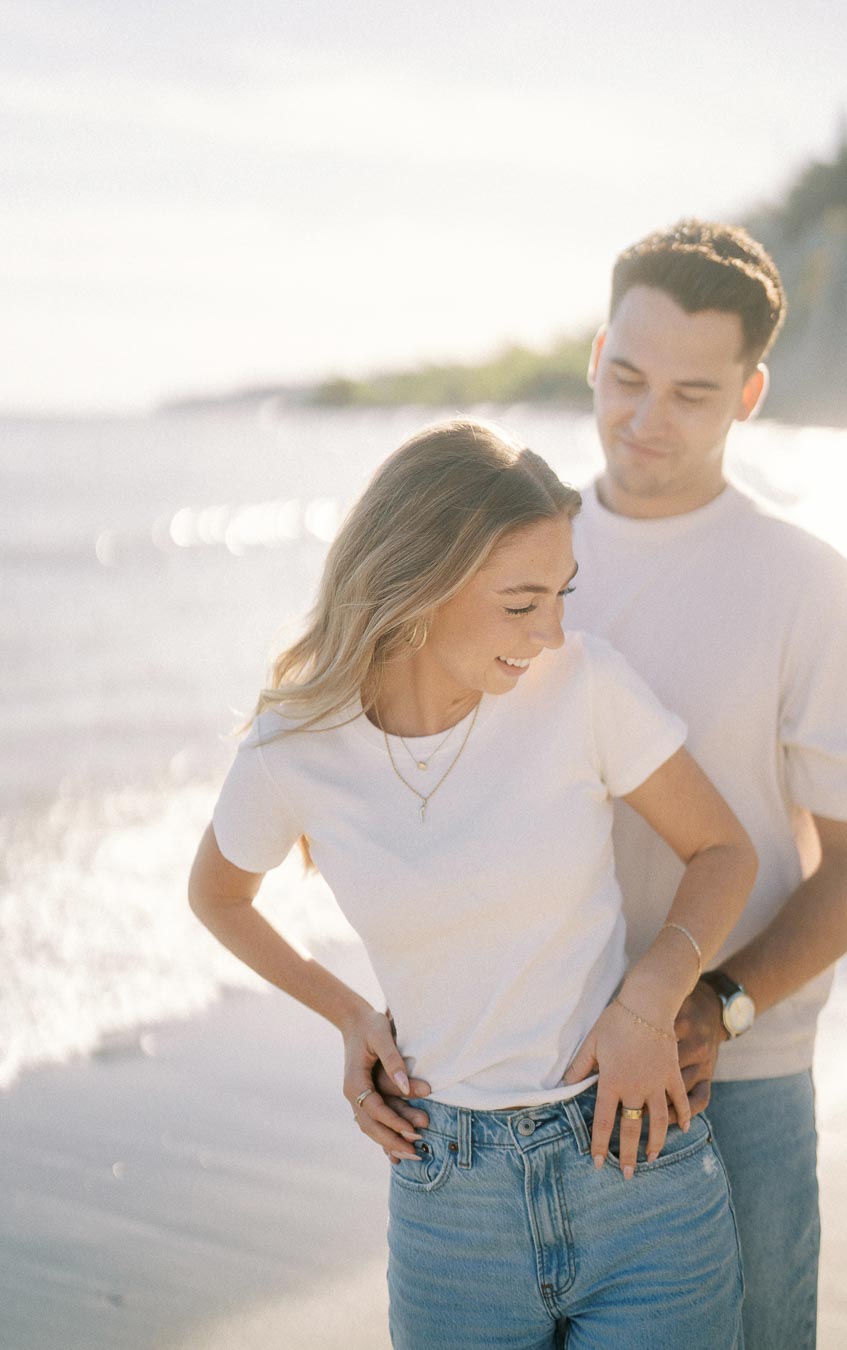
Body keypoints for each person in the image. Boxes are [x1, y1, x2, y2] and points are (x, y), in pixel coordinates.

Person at [189, 418, 758, 1348]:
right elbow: (217, 895)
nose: (554, 631)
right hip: (449, 1200)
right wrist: (348, 1015)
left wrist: (649, 1001)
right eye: (521, 602)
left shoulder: (584, 685)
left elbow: (725, 851)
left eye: (561, 595)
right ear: (417, 587)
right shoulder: (295, 749)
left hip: (633, 1158)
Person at [559, 220, 847, 1349]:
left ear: (750, 394)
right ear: (598, 351)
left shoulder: (810, 586)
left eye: (694, 395)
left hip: (735, 1084)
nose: (648, 420)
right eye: (628, 378)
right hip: (528, 1066)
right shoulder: (509, 553)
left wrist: (724, 1001)